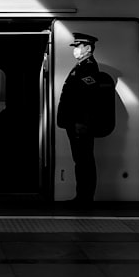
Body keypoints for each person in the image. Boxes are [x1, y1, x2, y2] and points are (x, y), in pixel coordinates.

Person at [56, 33, 113, 202]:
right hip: (75, 123)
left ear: (88, 48)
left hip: (80, 124)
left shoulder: (88, 67)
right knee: (80, 160)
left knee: (84, 161)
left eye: (78, 47)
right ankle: (82, 196)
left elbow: (89, 99)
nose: (75, 50)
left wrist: (82, 122)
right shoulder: (81, 66)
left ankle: (84, 198)